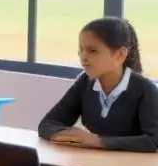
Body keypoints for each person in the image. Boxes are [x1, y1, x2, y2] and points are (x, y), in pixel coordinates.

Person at [38, 17, 158, 152]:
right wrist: (63, 135)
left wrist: (98, 141)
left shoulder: (146, 90)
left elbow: (153, 141)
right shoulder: (85, 82)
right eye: (81, 50)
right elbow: (48, 124)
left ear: (120, 55)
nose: (83, 57)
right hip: (95, 163)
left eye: (92, 50)